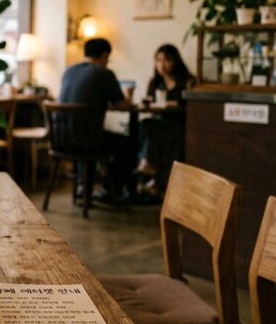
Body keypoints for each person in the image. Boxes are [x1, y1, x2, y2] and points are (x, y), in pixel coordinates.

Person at [57, 38, 134, 202]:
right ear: (105, 55)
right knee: (129, 143)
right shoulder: (104, 73)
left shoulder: (68, 71)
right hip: (88, 142)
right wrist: (128, 94)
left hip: (61, 141)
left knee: (87, 133)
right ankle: (110, 189)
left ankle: (83, 186)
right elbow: (122, 105)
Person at [137, 44, 195, 193]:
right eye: (158, 60)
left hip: (178, 125)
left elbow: (190, 107)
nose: (162, 65)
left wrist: (172, 104)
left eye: (167, 60)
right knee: (145, 125)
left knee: (149, 127)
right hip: (159, 123)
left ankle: (148, 166)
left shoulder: (187, 82)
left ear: (176, 61)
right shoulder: (155, 82)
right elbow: (151, 104)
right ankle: (149, 174)